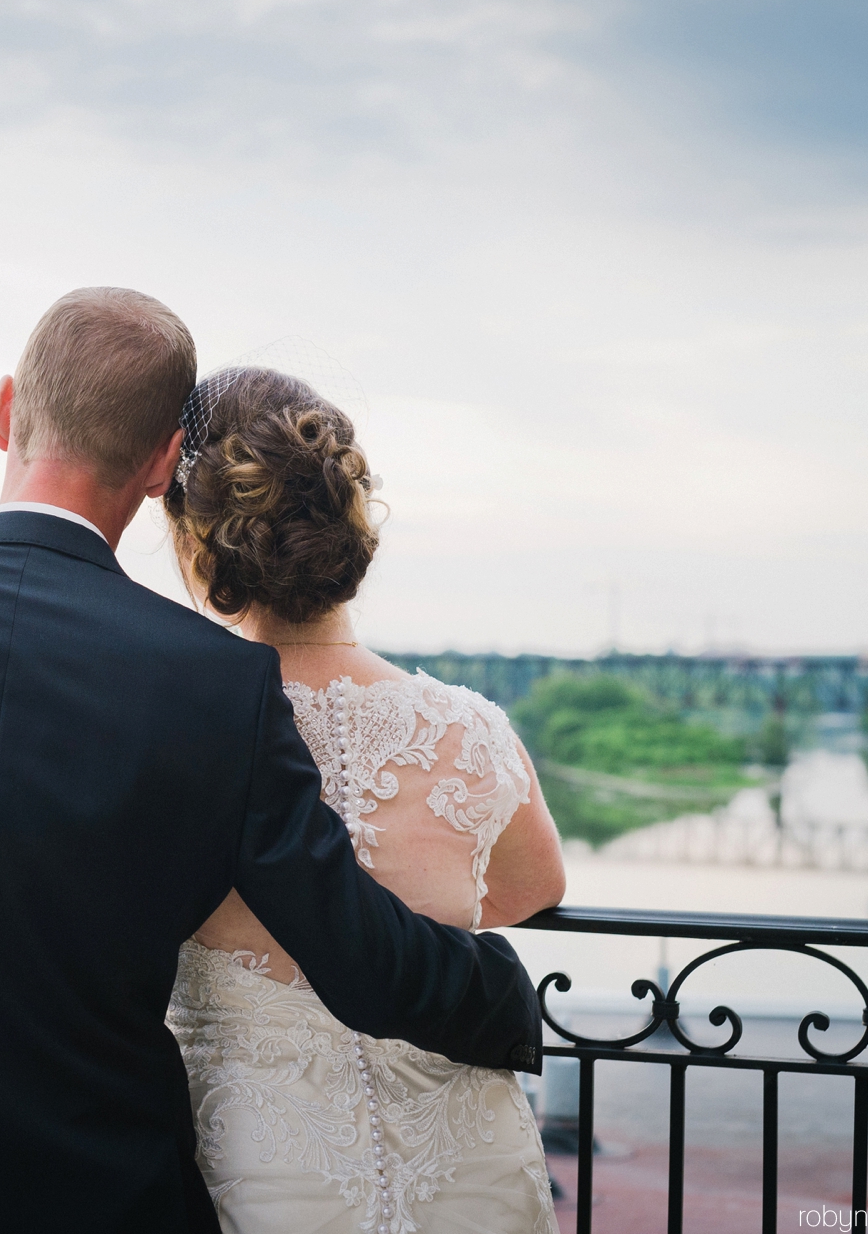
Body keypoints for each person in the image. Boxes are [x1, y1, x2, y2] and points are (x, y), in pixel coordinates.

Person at [0, 288, 542, 1234]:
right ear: (164, 461)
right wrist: (506, 995)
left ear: (5, 409)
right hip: (104, 1199)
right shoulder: (219, 682)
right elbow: (359, 955)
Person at [163, 365, 566, 1234]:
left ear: (201, 538)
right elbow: (534, 889)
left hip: (265, 1172)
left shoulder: (174, 731)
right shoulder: (473, 729)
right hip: (468, 1167)